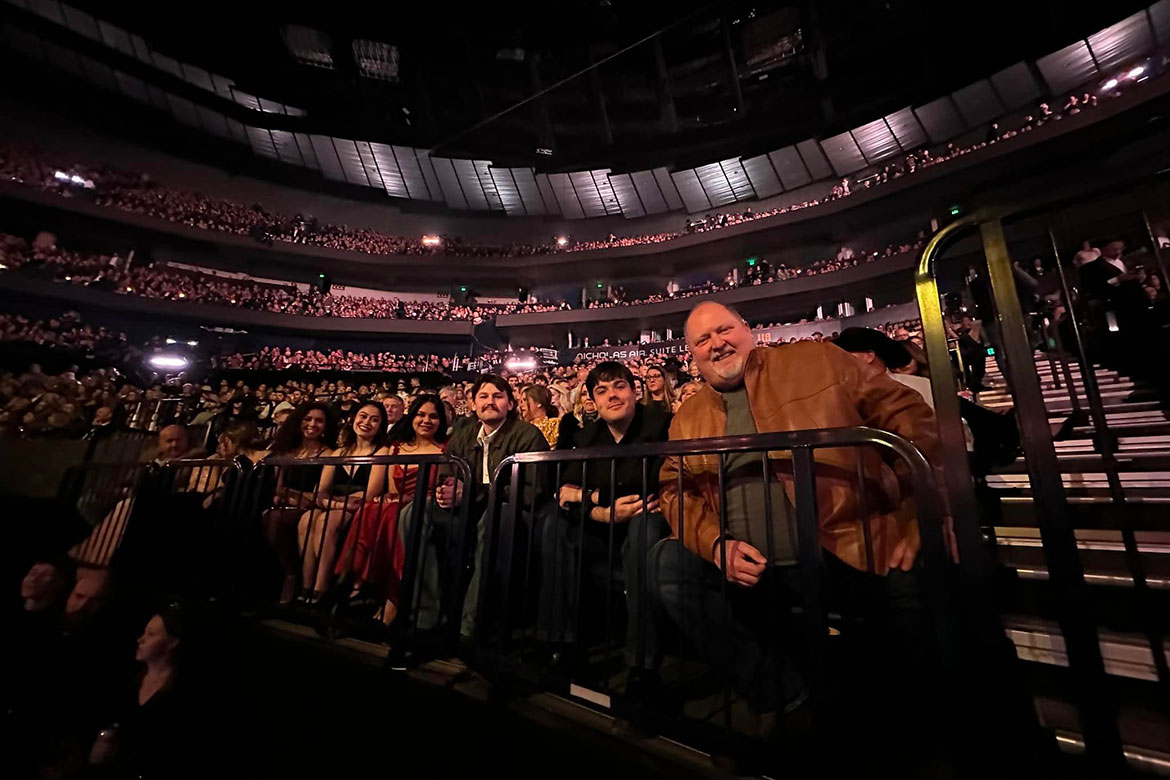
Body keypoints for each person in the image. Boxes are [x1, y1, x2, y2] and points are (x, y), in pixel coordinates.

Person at [651, 302, 940, 723]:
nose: (716, 344)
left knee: (928, 600)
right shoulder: (687, 417)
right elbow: (674, 491)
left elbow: (913, 421)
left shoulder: (817, 359)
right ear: (692, 356)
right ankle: (785, 699)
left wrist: (923, 513)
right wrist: (716, 545)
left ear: (749, 330)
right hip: (751, 568)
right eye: (702, 340)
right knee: (666, 562)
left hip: (849, 544)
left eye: (723, 329)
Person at [539, 361, 672, 694]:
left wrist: (594, 495)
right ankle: (563, 647)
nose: (611, 395)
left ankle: (643, 667)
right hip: (602, 529)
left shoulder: (661, 424)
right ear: (593, 402)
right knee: (555, 525)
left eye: (619, 386)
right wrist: (599, 510)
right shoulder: (588, 436)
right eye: (602, 391)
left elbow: (650, 485)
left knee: (645, 527)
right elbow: (564, 490)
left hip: (647, 524)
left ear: (634, 391)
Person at [399, 374, 548, 637]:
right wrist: (446, 492)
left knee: (494, 516)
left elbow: (531, 491)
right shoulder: (463, 435)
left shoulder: (528, 435)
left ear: (511, 404)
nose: (490, 402)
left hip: (507, 516)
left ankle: (471, 626)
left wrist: (471, 494)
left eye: (498, 396)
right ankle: (425, 618)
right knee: (413, 512)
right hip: (466, 513)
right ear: (473, 403)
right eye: (484, 396)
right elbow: (448, 475)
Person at [336, 395, 448, 624]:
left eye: (433, 416)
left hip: (427, 508)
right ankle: (357, 585)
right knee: (371, 509)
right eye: (421, 414)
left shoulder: (447, 449)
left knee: (390, 514)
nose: (426, 420)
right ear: (412, 416)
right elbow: (390, 490)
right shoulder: (395, 449)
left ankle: (390, 599)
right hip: (397, 504)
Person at [86, 606, 207, 778]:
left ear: (172, 642)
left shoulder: (185, 691)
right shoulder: (128, 681)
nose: (140, 640)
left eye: (151, 634)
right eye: (144, 632)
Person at [297, 402, 388, 602]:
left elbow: (369, 494)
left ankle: (321, 588)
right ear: (353, 419)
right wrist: (340, 503)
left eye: (374, 419)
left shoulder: (382, 452)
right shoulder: (338, 453)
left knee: (326, 521)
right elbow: (320, 492)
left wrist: (335, 502)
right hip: (338, 505)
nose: (366, 422)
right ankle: (306, 585)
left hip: (360, 508)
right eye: (362, 416)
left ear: (381, 426)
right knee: (306, 520)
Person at [264, 402, 338, 603]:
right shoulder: (286, 451)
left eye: (319, 421)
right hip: (284, 504)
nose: (312, 424)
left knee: (275, 518)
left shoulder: (329, 454)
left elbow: (320, 494)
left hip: (309, 508)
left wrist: (290, 493)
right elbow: (277, 488)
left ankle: (292, 573)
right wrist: (290, 494)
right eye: (308, 419)